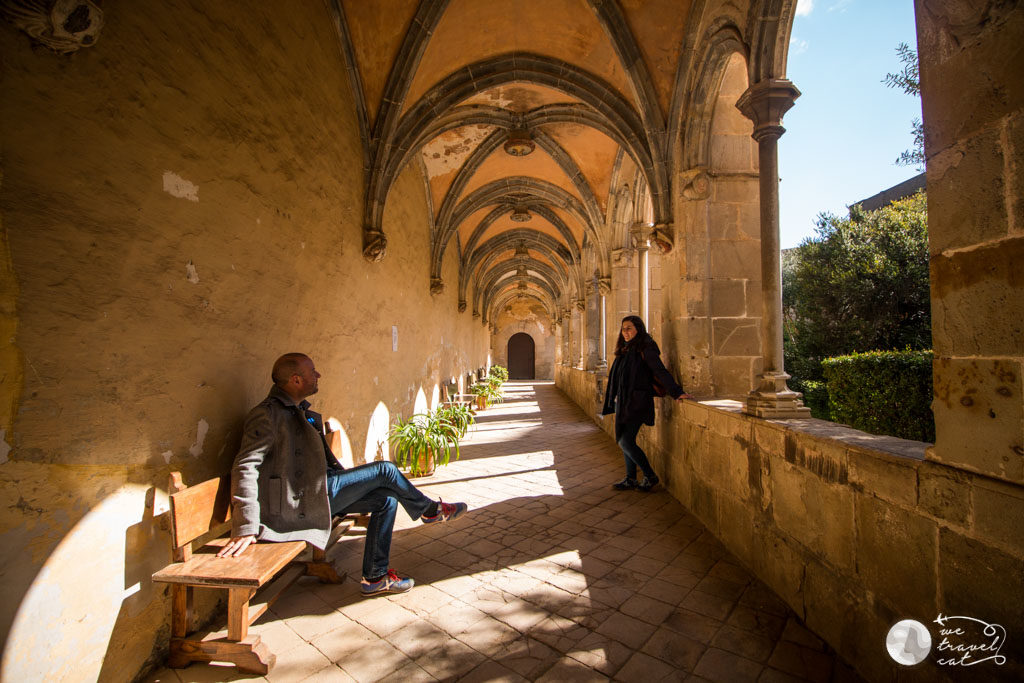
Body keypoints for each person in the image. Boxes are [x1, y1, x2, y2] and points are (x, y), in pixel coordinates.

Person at [217, 353, 468, 597]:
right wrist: (246, 525)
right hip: (301, 503)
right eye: (312, 372)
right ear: (295, 380)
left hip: (320, 492)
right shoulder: (267, 415)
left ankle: (375, 577)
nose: (318, 375)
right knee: (386, 469)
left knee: (387, 499)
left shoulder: (294, 409)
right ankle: (429, 510)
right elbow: (244, 466)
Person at [601, 316, 690, 492]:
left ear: (638, 329)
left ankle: (649, 475)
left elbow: (659, 370)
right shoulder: (625, 349)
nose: (625, 332)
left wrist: (676, 392)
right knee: (624, 439)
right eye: (623, 328)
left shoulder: (645, 347)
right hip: (623, 400)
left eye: (629, 328)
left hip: (637, 401)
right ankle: (631, 478)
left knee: (625, 441)